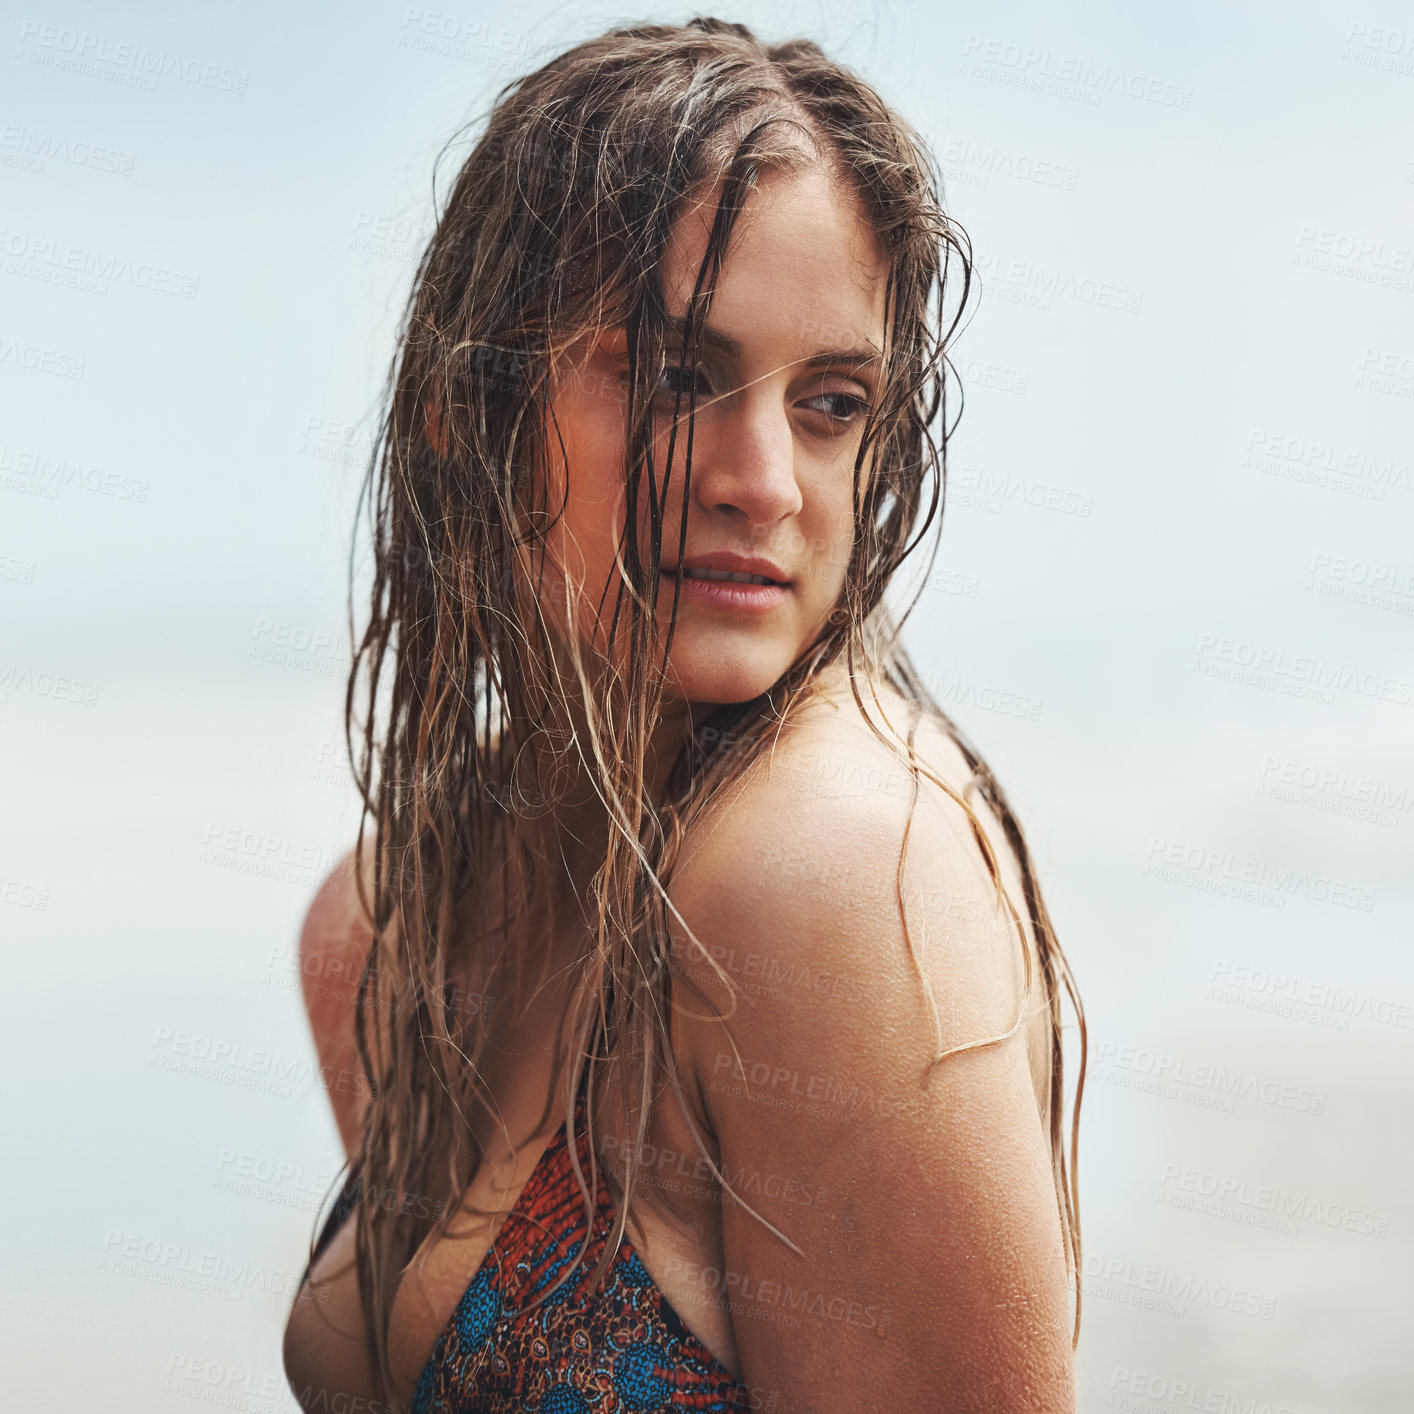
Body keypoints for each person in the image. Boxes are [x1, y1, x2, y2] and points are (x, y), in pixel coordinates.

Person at [282, 16, 1085, 1412]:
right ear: (462, 411)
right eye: (671, 376)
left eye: (832, 401)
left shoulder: (828, 870)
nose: (764, 479)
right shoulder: (389, 926)